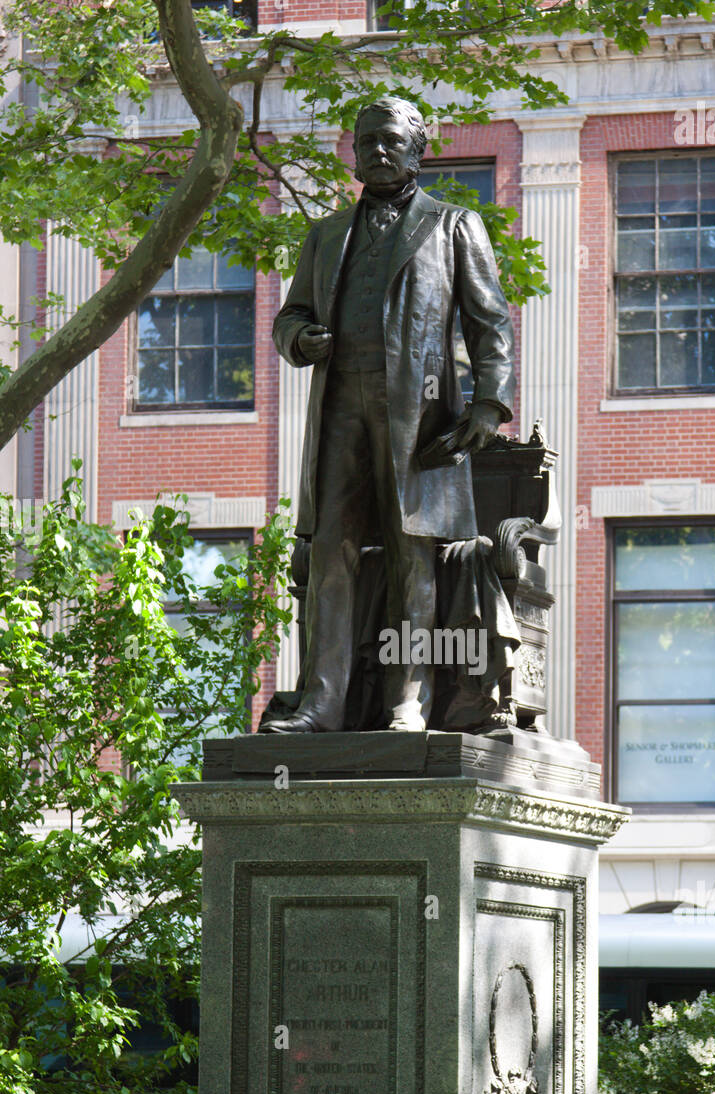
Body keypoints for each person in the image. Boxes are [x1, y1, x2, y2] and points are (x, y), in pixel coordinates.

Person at [265, 95, 515, 732]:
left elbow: (490, 325)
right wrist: (299, 339)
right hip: (340, 409)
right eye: (367, 140)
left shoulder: (454, 225)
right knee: (331, 554)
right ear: (352, 150)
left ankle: (410, 702)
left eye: (391, 140)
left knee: (413, 556)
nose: (378, 149)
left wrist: (487, 403)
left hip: (421, 419)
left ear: (419, 150)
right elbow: (291, 314)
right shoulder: (325, 236)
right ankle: (321, 704)